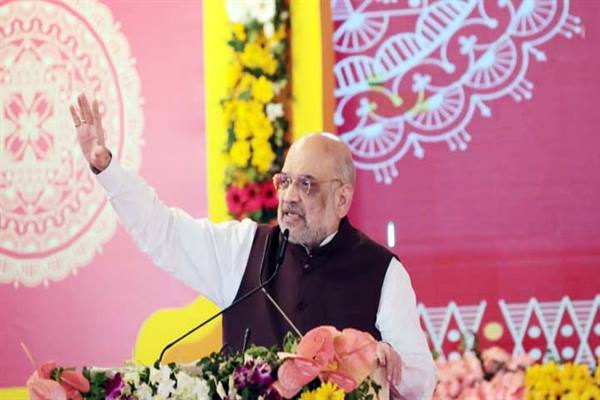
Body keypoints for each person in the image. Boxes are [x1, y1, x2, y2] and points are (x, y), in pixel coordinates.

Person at [70, 94, 437, 398]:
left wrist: (387, 362)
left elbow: (423, 380)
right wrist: (107, 169)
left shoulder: (382, 271)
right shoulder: (245, 248)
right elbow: (163, 232)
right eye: (285, 181)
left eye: (306, 184)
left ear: (342, 198)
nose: (289, 197)